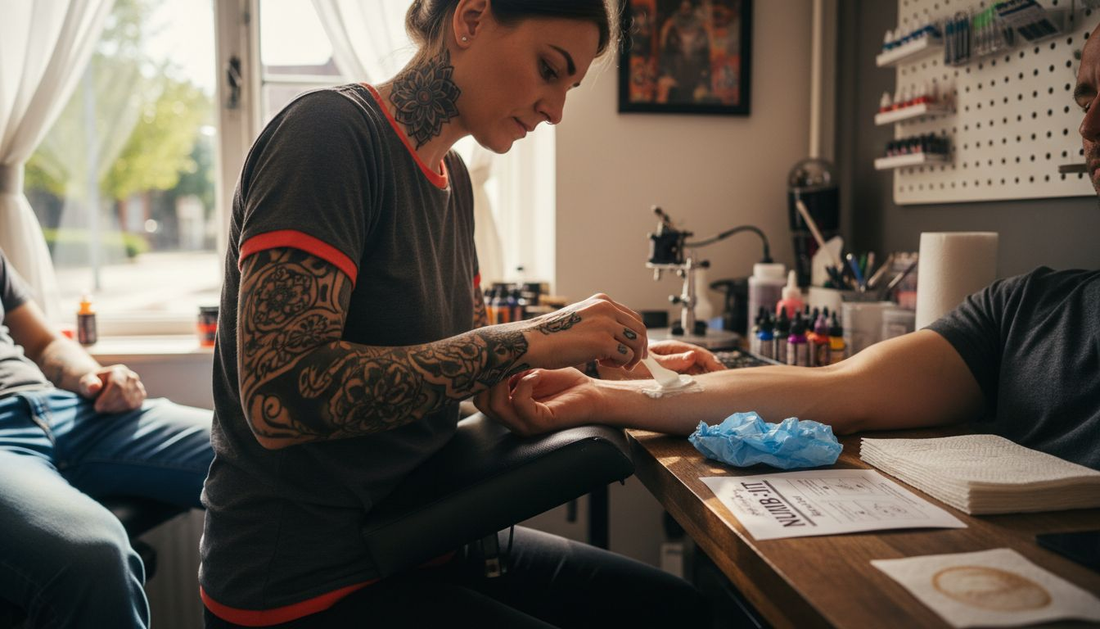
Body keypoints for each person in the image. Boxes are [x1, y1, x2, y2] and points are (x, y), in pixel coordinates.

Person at [199, 1, 721, 627]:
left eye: (570, 87)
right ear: (470, 19)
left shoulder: (454, 181)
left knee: (683, 614)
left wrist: (610, 360)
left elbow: (476, 368)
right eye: (548, 70)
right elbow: (280, 398)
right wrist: (533, 336)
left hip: (419, 538)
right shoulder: (329, 138)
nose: (556, 111)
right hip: (306, 584)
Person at [486, 21, 1100, 473]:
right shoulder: (1027, 312)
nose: (1087, 126)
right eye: (1084, 97)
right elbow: (838, 391)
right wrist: (597, 393)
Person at [0, 249, 213, 629]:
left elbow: (44, 343)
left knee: (256, 454)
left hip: (64, 409)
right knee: (96, 555)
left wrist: (92, 378)